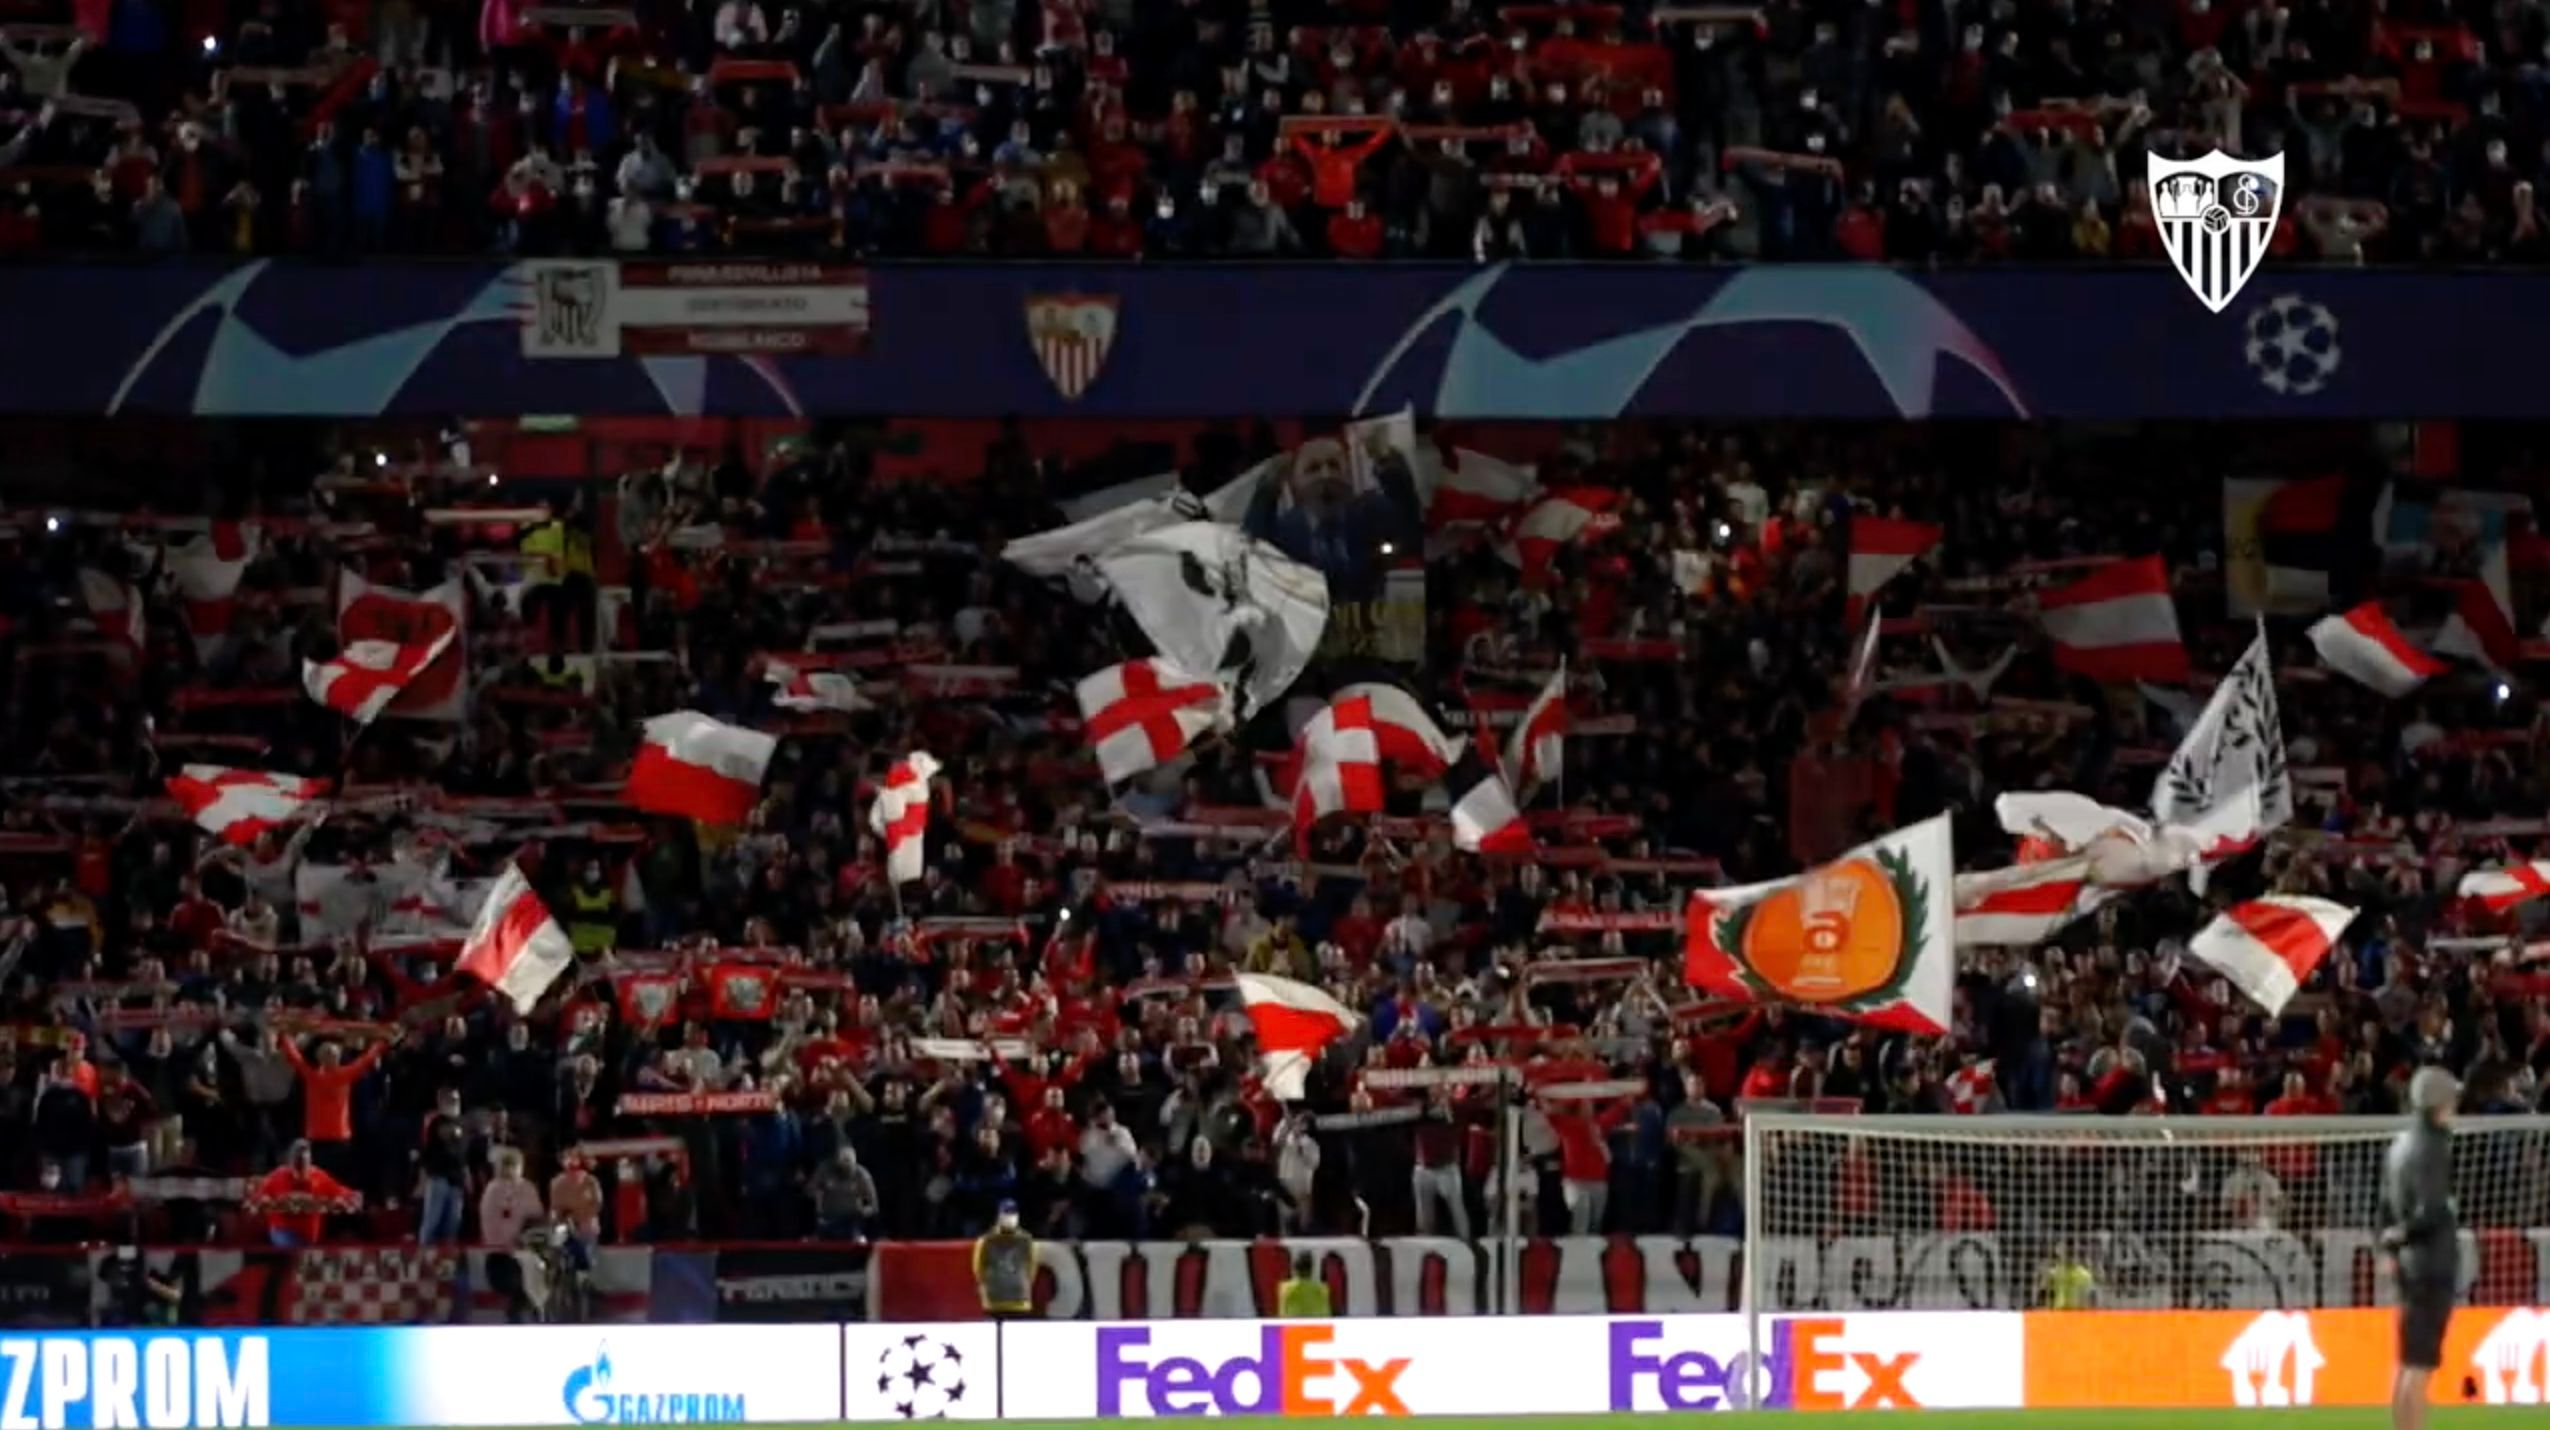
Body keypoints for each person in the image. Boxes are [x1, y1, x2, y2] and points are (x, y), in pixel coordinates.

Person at [2384, 1067, 2461, 1430]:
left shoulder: (2400, 1145)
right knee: (2420, 1365)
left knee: (2406, 1361)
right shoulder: (2434, 1147)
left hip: (2409, 1265)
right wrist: (2443, 1213)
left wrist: (2390, 1245)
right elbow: (2430, 1210)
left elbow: (2385, 1207)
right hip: (2430, 1264)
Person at [971, 1198, 1034, 1319]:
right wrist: (987, 1287)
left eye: (1013, 1214)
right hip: (994, 1302)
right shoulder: (987, 1240)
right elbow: (978, 1268)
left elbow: (1031, 1267)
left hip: (1019, 1301)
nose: (1010, 1217)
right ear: (999, 1216)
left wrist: (1022, 1284)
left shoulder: (1025, 1240)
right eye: (1006, 1213)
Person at [1277, 1252, 1330, 1317]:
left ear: (1295, 1268)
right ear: (1311, 1269)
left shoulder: (1284, 1288)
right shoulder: (1322, 1289)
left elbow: (1282, 1314)